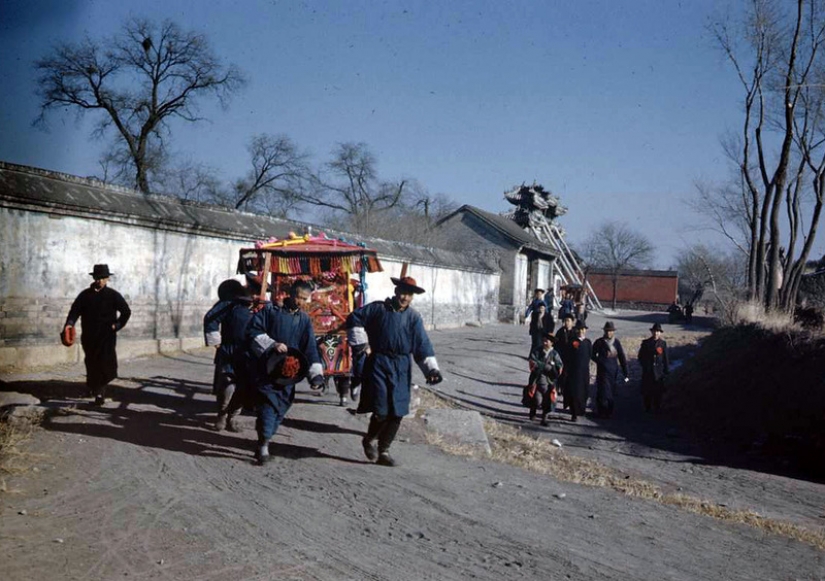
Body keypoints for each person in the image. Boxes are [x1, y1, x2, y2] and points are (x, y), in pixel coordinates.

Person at [346, 275, 443, 467]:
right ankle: (370, 439)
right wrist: (362, 343)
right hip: (379, 363)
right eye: (403, 292)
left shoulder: (413, 318)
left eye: (410, 295)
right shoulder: (377, 309)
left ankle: (384, 451)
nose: (405, 298)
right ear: (396, 291)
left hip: (401, 366)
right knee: (381, 409)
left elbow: (422, 344)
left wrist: (432, 369)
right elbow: (354, 318)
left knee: (398, 411)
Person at [246, 280, 325, 465]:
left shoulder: (304, 319)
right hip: (267, 370)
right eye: (298, 297)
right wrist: (273, 344)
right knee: (268, 405)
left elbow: (310, 347)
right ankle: (264, 446)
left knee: (281, 406)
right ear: (290, 294)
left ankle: (264, 438)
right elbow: (253, 331)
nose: (301, 302)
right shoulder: (271, 311)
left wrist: (316, 375)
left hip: (289, 374)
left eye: (305, 299)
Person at [63, 264, 131, 406]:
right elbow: (75, 310)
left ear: (107, 279)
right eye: (98, 277)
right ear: (93, 278)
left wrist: (117, 325)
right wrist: (69, 323)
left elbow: (126, 311)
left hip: (106, 337)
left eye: (103, 278)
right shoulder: (85, 295)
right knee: (92, 363)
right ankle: (95, 388)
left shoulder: (113, 295)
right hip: (89, 336)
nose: (100, 280)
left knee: (105, 363)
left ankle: (99, 392)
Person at [203, 279, 255, 432]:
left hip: (249, 354)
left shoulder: (262, 307)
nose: (253, 291)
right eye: (251, 288)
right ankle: (221, 415)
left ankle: (233, 417)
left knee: (243, 387)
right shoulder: (229, 304)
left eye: (256, 289)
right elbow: (210, 318)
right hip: (229, 351)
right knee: (227, 384)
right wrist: (216, 341)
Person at [590, 321, 629, 419]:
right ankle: (601, 411)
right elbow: (592, 354)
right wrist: (600, 361)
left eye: (610, 331)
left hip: (613, 371)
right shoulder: (600, 342)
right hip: (602, 371)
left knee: (610, 391)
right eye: (607, 331)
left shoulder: (616, 342)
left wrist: (625, 372)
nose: (608, 333)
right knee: (602, 391)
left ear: (613, 332)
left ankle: (609, 411)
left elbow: (621, 357)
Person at [526, 332, 563, 426]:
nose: (545, 342)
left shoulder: (555, 354)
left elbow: (559, 367)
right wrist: (545, 366)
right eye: (544, 340)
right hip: (537, 380)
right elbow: (532, 362)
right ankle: (533, 410)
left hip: (549, 382)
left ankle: (544, 419)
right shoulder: (537, 351)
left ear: (552, 343)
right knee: (537, 399)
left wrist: (552, 369)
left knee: (548, 401)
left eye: (547, 341)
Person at [637, 322, 670, 412]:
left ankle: (657, 407)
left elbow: (665, 358)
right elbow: (640, 357)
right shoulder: (646, 343)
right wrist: (645, 366)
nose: (656, 333)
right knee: (647, 390)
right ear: (652, 332)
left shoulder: (663, 344)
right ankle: (647, 407)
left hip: (658, 372)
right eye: (655, 331)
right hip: (648, 371)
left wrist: (666, 371)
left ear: (660, 333)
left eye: (658, 332)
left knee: (658, 391)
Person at [565, 320, 592, 422]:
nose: (581, 331)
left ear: (585, 330)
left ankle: (582, 410)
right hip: (574, 371)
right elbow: (567, 356)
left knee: (584, 391)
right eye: (579, 329)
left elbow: (590, 355)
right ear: (576, 330)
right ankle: (574, 413)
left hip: (584, 372)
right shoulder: (572, 342)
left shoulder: (588, 342)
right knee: (574, 392)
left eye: (583, 329)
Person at [554, 312, 577, 411]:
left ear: (572, 322)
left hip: (571, 359)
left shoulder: (575, 332)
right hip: (561, 357)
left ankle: (566, 394)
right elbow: (556, 344)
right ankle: (560, 388)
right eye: (565, 321)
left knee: (568, 378)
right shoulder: (560, 332)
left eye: (569, 321)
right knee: (560, 375)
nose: (567, 323)